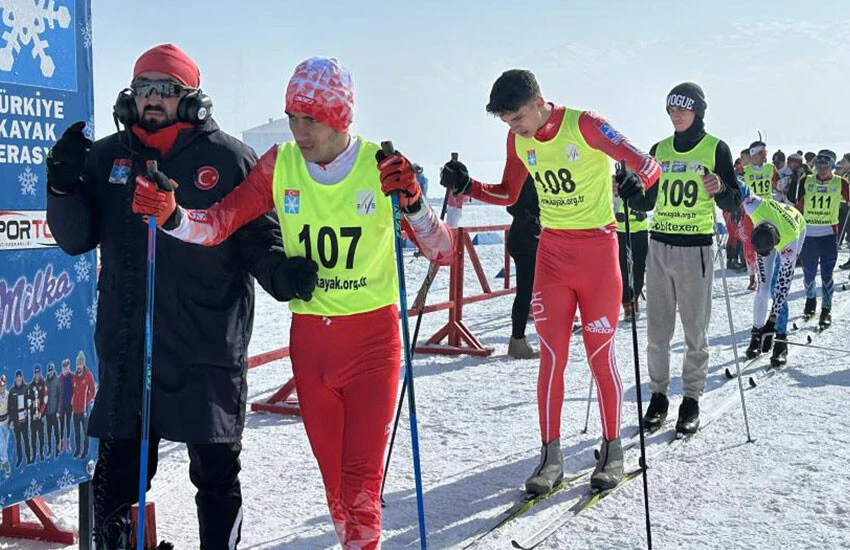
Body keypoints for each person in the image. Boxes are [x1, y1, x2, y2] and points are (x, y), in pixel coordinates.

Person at [131, 57, 454, 550]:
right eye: (293, 118)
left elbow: (442, 250)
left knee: (362, 489)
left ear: (341, 118)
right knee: (336, 494)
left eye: (313, 120)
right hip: (311, 344)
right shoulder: (279, 165)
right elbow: (217, 224)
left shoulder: (379, 166)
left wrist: (413, 202)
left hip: (372, 341)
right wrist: (172, 215)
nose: (301, 131)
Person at [45, 43, 286, 548]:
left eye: (167, 89)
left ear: (192, 98)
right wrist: (64, 188)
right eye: (145, 88)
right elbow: (75, 239)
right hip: (130, 347)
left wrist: (279, 270)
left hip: (206, 346)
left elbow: (258, 237)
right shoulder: (107, 155)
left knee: (216, 476)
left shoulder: (229, 157)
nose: (154, 98)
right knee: (117, 480)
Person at [438, 69, 661, 494]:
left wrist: (638, 181)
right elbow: (507, 193)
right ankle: (550, 457)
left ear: (539, 101)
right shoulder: (519, 140)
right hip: (552, 257)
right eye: (506, 123)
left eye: (518, 117)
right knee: (552, 359)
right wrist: (468, 186)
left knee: (600, 357)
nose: (515, 127)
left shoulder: (586, 124)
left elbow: (647, 164)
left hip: (597, 254)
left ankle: (613, 450)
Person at [629, 83, 741, 435]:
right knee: (657, 332)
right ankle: (658, 396)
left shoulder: (715, 148)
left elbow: (734, 201)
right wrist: (631, 192)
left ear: (698, 111)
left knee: (695, 332)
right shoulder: (658, 150)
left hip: (696, 249)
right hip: (659, 245)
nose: (676, 114)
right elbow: (647, 203)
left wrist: (720, 188)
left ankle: (691, 399)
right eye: (671, 109)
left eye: (682, 108)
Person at [740, 184, 806, 366]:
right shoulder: (755, 206)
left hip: (797, 226)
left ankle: (781, 339)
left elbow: (784, 289)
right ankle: (756, 334)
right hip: (770, 225)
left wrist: (772, 321)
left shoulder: (789, 244)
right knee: (763, 288)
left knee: (778, 288)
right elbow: (738, 184)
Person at [786, 150, 850, 329]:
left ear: (832, 166)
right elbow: (793, 200)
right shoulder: (807, 180)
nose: (822, 168)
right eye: (819, 164)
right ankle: (811, 301)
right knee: (808, 274)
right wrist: (795, 181)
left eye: (826, 164)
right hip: (809, 235)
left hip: (829, 235)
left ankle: (826, 309)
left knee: (827, 274)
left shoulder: (840, 183)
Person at [507, 178, 542, 358]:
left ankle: (555, 328)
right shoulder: (528, 176)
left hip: (534, 241)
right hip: (524, 242)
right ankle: (517, 340)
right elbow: (512, 205)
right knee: (525, 292)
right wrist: (533, 222)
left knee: (546, 288)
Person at [613, 188, 649, 322]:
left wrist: (644, 211)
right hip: (620, 229)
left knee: (639, 267)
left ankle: (636, 296)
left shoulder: (642, 171)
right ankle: (627, 302)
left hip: (639, 228)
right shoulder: (614, 173)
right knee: (623, 267)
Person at [71, 351, 96, 459]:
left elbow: (92, 391)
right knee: (77, 432)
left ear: (83, 364)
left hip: (84, 410)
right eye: (77, 364)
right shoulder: (75, 376)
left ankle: (85, 451)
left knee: (85, 432)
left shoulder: (88, 375)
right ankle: (77, 449)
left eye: (80, 364)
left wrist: (86, 401)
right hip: (75, 409)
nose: (79, 366)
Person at [8, 370, 30, 467]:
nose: (19, 379)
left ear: (22, 378)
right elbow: (9, 407)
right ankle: (20, 459)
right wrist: (11, 421)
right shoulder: (12, 391)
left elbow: (30, 400)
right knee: (18, 441)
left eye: (20, 377)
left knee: (26, 439)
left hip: (24, 419)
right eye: (17, 377)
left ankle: (29, 457)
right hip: (16, 420)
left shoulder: (26, 388)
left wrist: (27, 410)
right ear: (15, 379)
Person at [27, 364, 48, 462]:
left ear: (40, 373)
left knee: (41, 435)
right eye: (35, 372)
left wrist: (40, 413)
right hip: (33, 416)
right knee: (33, 436)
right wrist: (32, 413)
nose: (37, 374)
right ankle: (34, 455)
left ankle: (41, 453)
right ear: (34, 373)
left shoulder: (43, 384)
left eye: (38, 372)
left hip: (40, 415)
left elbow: (45, 400)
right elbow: (29, 401)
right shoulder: (30, 386)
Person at [44, 362, 61, 459]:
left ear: (54, 370)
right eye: (49, 370)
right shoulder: (46, 382)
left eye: (52, 370)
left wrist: (58, 410)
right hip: (48, 413)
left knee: (56, 432)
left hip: (55, 412)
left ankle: (57, 449)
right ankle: (50, 449)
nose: (50, 372)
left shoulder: (57, 381)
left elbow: (59, 397)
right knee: (49, 432)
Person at [58, 358, 74, 454]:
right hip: (62, 406)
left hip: (69, 405)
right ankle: (61, 443)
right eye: (64, 369)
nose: (66, 370)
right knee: (62, 424)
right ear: (62, 369)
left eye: (67, 368)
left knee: (68, 424)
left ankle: (68, 443)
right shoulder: (59, 379)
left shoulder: (72, 376)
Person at [0, 375, 10, 476]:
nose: (1, 387)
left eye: (3, 385)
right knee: (1, 443)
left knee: (5, 444)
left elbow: (11, 408)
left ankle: (3, 460)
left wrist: (11, 421)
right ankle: (5, 463)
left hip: (6, 422)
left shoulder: (8, 394)